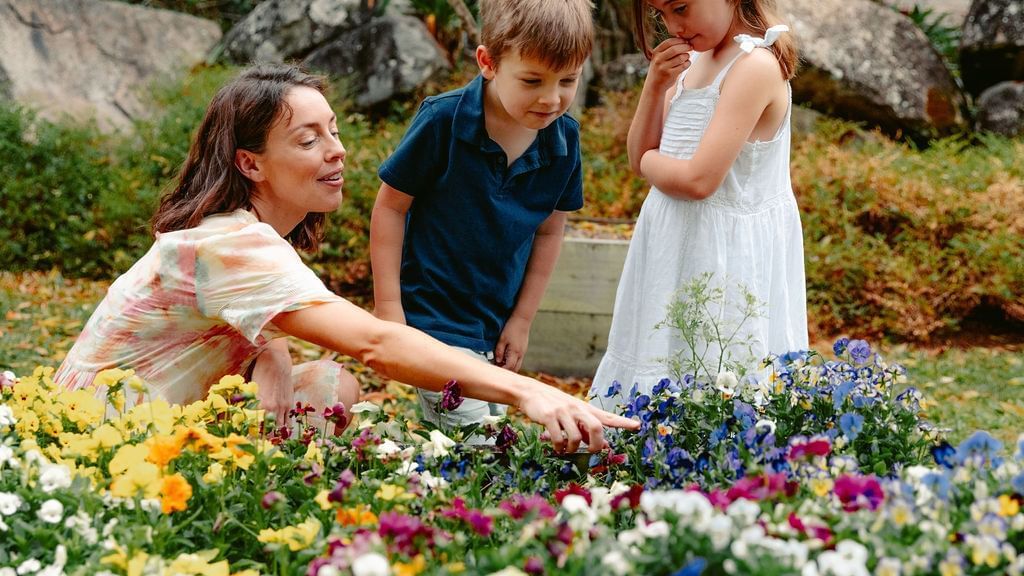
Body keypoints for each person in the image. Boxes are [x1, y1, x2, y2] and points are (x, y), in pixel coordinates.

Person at [54, 64, 637, 453]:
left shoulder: (241, 239)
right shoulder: (230, 245)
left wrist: (270, 352)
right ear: (250, 163)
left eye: (332, 131)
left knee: (328, 386)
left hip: (141, 419)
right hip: (96, 433)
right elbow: (377, 343)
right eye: (308, 140)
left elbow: (249, 317)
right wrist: (528, 392)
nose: (335, 151)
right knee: (336, 378)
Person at [370, 0, 594, 428]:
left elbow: (549, 232)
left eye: (568, 80)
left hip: (493, 321)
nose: (551, 98)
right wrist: (389, 312)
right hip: (430, 315)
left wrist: (522, 320)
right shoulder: (443, 120)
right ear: (488, 62)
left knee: (488, 437)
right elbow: (391, 206)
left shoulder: (564, 140)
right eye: (532, 80)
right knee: (476, 442)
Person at [589, 0, 808, 410]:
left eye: (681, 7)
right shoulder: (695, 59)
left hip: (723, 253)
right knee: (662, 352)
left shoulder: (754, 66)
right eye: (660, 14)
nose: (673, 26)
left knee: (714, 365)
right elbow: (637, 152)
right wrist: (655, 86)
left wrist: (650, 162)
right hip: (674, 241)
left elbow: (697, 180)